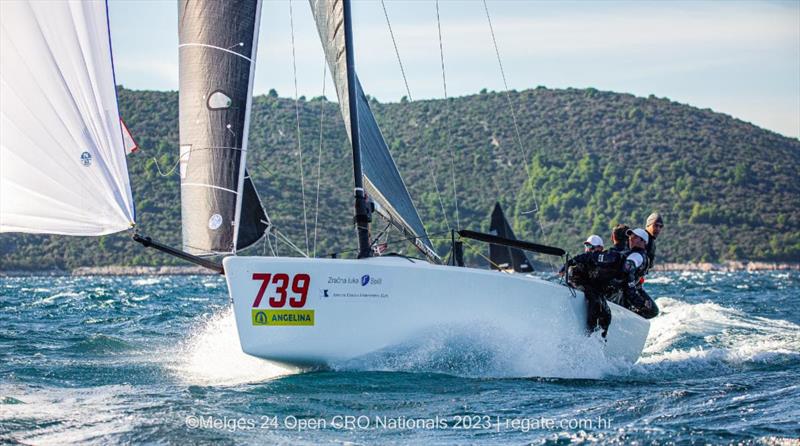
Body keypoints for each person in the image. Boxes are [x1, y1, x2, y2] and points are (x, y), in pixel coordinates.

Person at [619, 228, 659, 319]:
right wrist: (638, 301)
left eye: (635, 237)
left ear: (643, 241)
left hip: (632, 288)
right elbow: (628, 267)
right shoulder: (635, 256)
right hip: (626, 290)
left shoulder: (639, 255)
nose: (631, 238)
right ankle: (629, 315)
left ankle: (630, 315)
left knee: (653, 311)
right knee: (652, 311)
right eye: (630, 236)